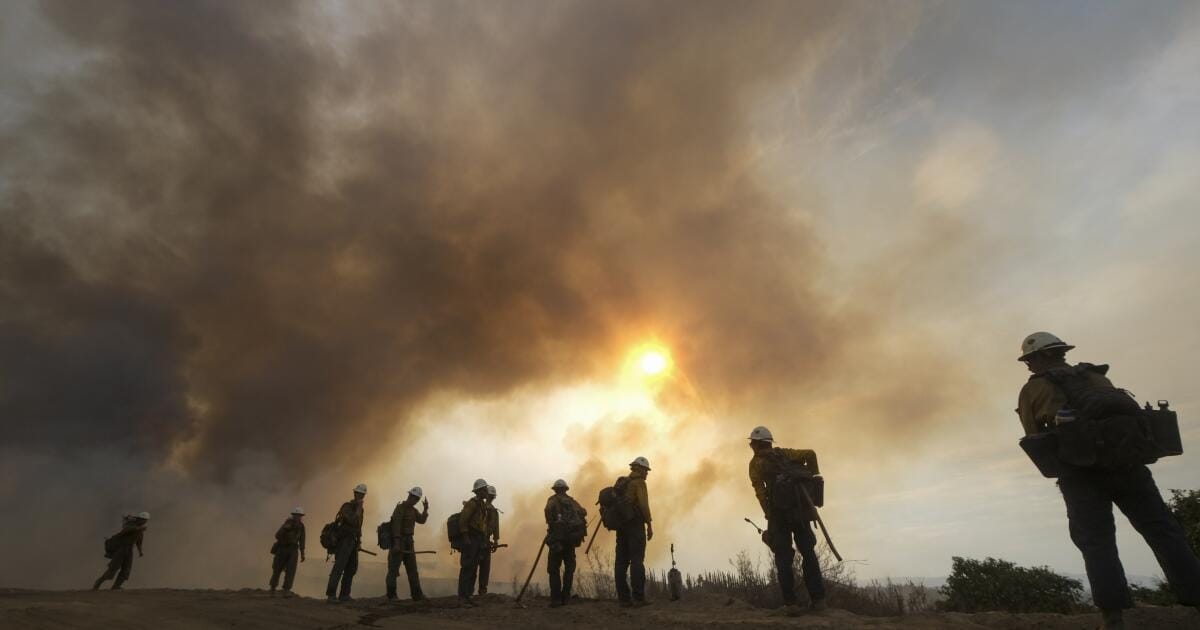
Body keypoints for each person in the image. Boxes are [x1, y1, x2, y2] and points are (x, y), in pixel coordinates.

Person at [1016, 332, 1200, 629]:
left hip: (1081, 476)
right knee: (1164, 531)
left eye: (1030, 359)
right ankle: (1194, 600)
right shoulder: (1097, 377)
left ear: (1043, 357)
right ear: (1062, 353)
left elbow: (1033, 436)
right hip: (1130, 468)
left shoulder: (1034, 389)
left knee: (1096, 542)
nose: (1027, 365)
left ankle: (1113, 616)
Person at [748, 426, 826, 615]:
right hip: (801, 512)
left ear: (756, 444)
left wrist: (769, 513)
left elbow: (760, 492)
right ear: (769, 442)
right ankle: (819, 601)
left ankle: (790, 604)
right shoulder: (784, 454)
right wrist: (813, 480)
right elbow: (811, 453)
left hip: (779, 516)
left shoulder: (756, 464)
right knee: (808, 554)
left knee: (783, 558)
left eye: (752, 443)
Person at [615, 456, 653, 608]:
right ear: (640, 469)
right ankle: (638, 598)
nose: (647, 474)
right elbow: (643, 505)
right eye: (646, 470)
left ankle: (624, 600)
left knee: (621, 563)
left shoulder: (622, 483)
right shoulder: (639, 483)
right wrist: (649, 524)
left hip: (621, 527)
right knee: (637, 561)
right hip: (635, 526)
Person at [545, 478, 587, 608]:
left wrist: (553, 527)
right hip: (570, 541)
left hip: (557, 540)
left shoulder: (551, 501)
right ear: (565, 489)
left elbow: (548, 517)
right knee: (569, 569)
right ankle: (566, 597)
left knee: (553, 569)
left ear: (555, 489)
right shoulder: (573, 502)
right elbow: (583, 512)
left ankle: (555, 599)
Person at [386, 487, 429, 602]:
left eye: (416, 499)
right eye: (412, 497)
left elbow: (421, 520)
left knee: (412, 570)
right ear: (409, 496)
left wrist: (425, 510)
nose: (413, 500)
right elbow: (396, 526)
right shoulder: (400, 508)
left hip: (409, 542)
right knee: (393, 570)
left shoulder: (413, 511)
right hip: (399, 542)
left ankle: (417, 595)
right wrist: (396, 544)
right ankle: (391, 595)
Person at [326, 483, 367, 603]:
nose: (360, 496)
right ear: (355, 494)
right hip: (344, 541)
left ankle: (344, 595)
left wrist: (359, 541)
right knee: (339, 567)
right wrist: (359, 508)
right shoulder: (347, 507)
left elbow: (359, 527)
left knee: (351, 568)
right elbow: (354, 521)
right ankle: (331, 595)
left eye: (362, 494)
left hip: (353, 541)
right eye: (359, 493)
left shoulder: (360, 509)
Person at [93, 512, 149, 591]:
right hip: (122, 549)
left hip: (129, 550)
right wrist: (138, 529)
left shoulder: (140, 528)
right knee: (113, 568)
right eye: (143, 520)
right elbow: (125, 530)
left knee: (126, 570)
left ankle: (116, 586)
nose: (144, 521)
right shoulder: (131, 524)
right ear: (139, 519)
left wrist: (140, 551)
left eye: (145, 520)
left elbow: (139, 541)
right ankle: (99, 582)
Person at [457, 478, 491, 606]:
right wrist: (466, 538)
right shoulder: (472, 504)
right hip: (471, 539)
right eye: (485, 489)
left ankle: (467, 596)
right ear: (479, 491)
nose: (487, 491)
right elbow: (463, 521)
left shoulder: (481, 504)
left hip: (478, 539)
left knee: (473, 568)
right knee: (467, 567)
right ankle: (462, 597)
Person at [269, 507, 306, 597]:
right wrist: (285, 529)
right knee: (277, 569)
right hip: (282, 549)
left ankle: (286, 590)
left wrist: (302, 553)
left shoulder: (301, 526)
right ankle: (273, 589)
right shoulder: (287, 523)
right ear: (293, 515)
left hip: (293, 550)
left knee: (291, 570)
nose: (298, 517)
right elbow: (277, 535)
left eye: (299, 515)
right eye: (297, 515)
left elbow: (302, 540)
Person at [477, 485, 501, 595]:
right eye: (490, 496)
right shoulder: (480, 507)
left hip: (485, 541)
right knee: (476, 566)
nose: (491, 498)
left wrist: (495, 541)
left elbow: (495, 527)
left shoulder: (492, 510)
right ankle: (472, 592)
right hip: (478, 540)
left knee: (485, 567)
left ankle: (482, 591)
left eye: (492, 496)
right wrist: (495, 541)